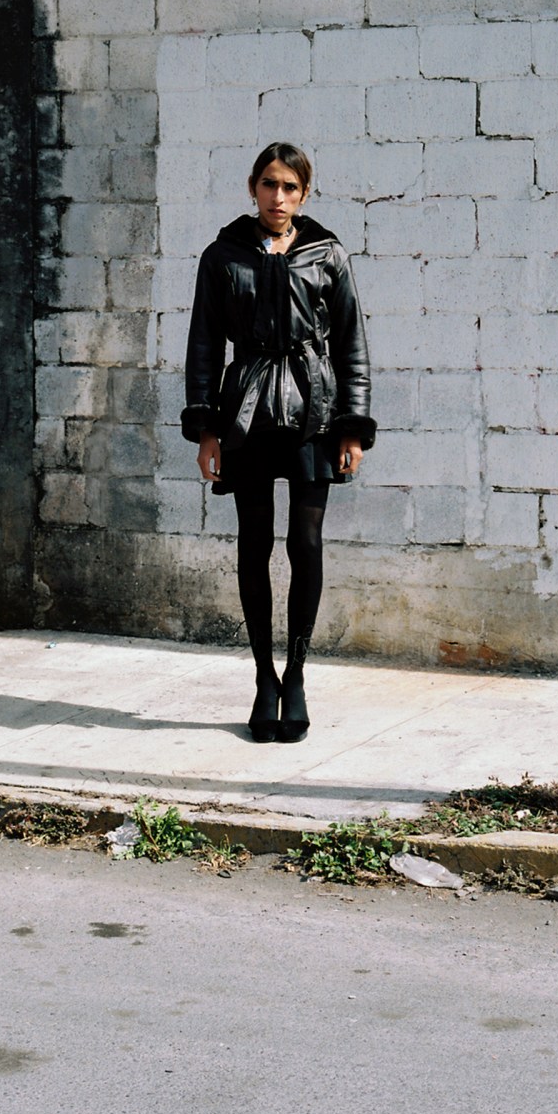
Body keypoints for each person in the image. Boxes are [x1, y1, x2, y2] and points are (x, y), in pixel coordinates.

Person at [183, 142, 375, 743]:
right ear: (253, 187)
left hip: (313, 414)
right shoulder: (222, 256)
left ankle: (296, 674)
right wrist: (207, 429)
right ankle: (263, 678)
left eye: (290, 187)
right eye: (269, 184)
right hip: (246, 414)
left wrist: (352, 425)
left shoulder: (328, 253)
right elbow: (204, 346)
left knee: (306, 541)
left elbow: (351, 345)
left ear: (305, 194)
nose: (278, 197)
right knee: (254, 542)